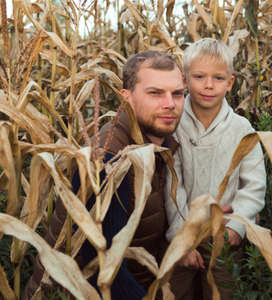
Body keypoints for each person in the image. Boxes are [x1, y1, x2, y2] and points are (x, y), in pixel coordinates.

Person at [23, 50, 186, 300]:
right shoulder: (108, 161)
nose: (170, 104)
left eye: (177, 93)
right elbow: (101, 267)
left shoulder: (162, 145)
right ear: (127, 98)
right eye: (155, 93)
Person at [165, 38, 267, 300]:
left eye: (218, 78)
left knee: (222, 293)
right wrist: (181, 237)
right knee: (177, 292)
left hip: (224, 234)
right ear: (185, 80)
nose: (208, 85)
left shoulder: (241, 129)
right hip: (182, 231)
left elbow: (254, 185)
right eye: (199, 76)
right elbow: (171, 185)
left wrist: (237, 226)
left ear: (230, 83)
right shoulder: (174, 125)